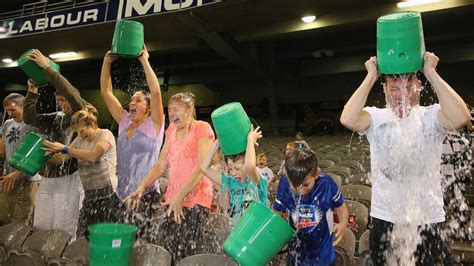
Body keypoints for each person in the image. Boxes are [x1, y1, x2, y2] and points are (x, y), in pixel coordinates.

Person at [339, 52, 471, 265]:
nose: (402, 95)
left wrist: (431, 72)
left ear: (419, 86)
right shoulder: (376, 117)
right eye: (394, 88)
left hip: (427, 219)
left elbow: (461, 117)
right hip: (386, 218)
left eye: (408, 87)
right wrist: (371, 76)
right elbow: (347, 118)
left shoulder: (431, 116)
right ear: (385, 90)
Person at [125, 92, 214, 263]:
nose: (171, 114)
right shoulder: (172, 129)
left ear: (189, 111)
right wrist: (141, 187)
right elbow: (160, 165)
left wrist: (181, 195)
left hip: (196, 200)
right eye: (170, 110)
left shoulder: (202, 128)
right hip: (172, 200)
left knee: (188, 253)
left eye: (176, 109)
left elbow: (203, 168)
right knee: (167, 249)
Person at [100, 46, 165, 239]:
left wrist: (144, 60)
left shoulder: (155, 124)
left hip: (146, 194)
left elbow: (156, 94)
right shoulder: (124, 120)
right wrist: (106, 62)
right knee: (120, 242)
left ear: (148, 107)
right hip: (122, 194)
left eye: (138, 101)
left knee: (142, 243)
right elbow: (105, 92)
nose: (132, 103)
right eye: (131, 100)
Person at [23, 49, 88, 240]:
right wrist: (32, 92)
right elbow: (28, 118)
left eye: (63, 99)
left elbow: (71, 93)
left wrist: (48, 69)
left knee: (64, 227)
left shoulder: (82, 114)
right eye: (57, 100)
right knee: (41, 224)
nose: (60, 104)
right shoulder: (56, 117)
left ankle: (63, 259)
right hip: (48, 177)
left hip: (69, 178)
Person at [42, 105, 120, 238]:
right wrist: (44, 157)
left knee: (106, 236)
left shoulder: (105, 135)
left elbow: (93, 156)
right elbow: (63, 158)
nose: (82, 135)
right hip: (90, 196)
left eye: (83, 131)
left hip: (108, 196)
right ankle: (85, 259)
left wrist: (65, 148)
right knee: (83, 235)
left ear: (93, 124)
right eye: (78, 133)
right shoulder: (80, 139)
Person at [273, 148, 349, 265]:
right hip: (295, 255)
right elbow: (277, 212)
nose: (301, 191)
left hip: (322, 256)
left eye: (306, 185)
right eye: (295, 185)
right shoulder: (284, 183)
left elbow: (341, 206)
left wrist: (343, 223)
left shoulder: (326, 184)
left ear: (316, 175)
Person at [201, 126, 268, 219]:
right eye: (230, 169)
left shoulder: (256, 181)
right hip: (237, 229)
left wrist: (250, 140)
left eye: (237, 169)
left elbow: (250, 166)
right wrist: (217, 143)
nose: (233, 173)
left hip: (257, 230)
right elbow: (204, 168)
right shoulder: (231, 182)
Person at [0, 93, 40, 226]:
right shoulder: (7, 123)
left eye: (13, 110)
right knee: (5, 214)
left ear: (23, 106)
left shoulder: (34, 124)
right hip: (9, 177)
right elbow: (4, 148)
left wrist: (18, 173)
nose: (10, 114)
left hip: (28, 178)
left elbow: (36, 153)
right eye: (7, 111)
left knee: (23, 218)